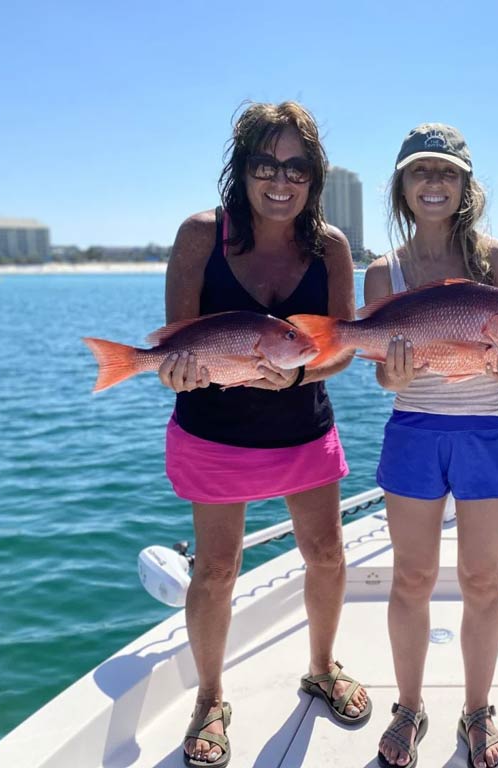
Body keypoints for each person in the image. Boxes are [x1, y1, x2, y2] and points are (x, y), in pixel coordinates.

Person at [158, 101, 370, 767]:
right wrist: (178, 373)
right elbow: (176, 349)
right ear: (242, 169)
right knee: (216, 569)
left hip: (302, 430)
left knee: (328, 557)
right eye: (265, 164)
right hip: (213, 436)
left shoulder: (330, 247)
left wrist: (300, 378)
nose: (281, 180)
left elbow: (340, 347)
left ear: (316, 176)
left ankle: (322, 666)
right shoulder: (200, 235)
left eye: (297, 168)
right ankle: (210, 698)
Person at [365, 123, 498, 768]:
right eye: (420, 172)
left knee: (483, 579)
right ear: (402, 187)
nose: (434, 184)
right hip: (415, 430)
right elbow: (381, 372)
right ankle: (409, 705)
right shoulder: (385, 271)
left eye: (447, 173)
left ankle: (477, 708)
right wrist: (390, 372)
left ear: (467, 187)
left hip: (488, 429)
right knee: (412, 577)